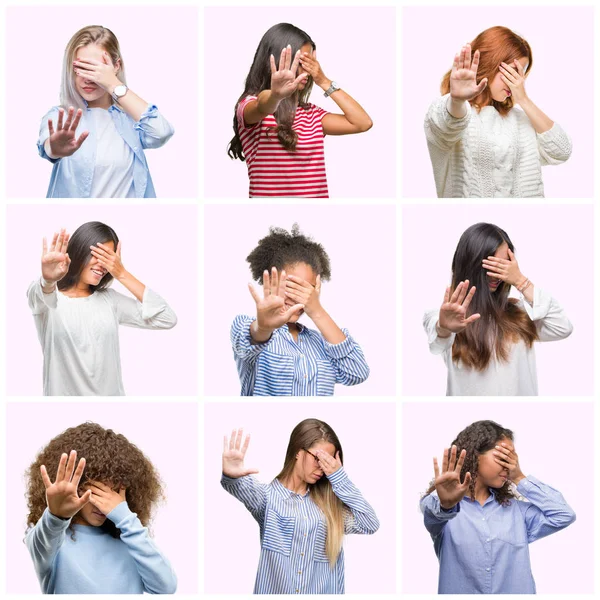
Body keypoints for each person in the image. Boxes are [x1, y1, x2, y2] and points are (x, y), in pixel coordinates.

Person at [221, 419, 379, 594]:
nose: (322, 468)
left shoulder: (330, 509)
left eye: (328, 462)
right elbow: (241, 487)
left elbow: (370, 524)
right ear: (298, 451)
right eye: (318, 458)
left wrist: (339, 476)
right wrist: (231, 475)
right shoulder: (267, 499)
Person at [420, 420, 575, 594]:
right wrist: (446, 506)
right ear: (474, 456)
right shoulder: (438, 506)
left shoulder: (518, 511)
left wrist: (519, 477)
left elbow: (563, 514)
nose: (509, 465)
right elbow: (433, 515)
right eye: (503, 458)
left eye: (512, 460)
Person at [25, 422, 177, 594]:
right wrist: (56, 516)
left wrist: (125, 517)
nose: (104, 504)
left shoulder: (131, 540)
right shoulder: (51, 541)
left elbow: (166, 587)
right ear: (77, 487)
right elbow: (42, 540)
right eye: (96, 491)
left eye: (114, 492)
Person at [27, 222, 177, 395]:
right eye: (98, 255)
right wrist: (47, 280)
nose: (103, 264)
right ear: (80, 250)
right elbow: (40, 294)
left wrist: (122, 274)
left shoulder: (110, 301)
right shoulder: (48, 299)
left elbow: (167, 318)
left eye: (109, 258)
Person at [423, 223, 572, 395]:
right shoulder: (442, 316)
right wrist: (444, 327)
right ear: (471, 263)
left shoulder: (521, 313)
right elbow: (438, 341)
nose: (497, 274)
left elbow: (562, 327)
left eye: (504, 265)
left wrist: (521, 281)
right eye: (491, 264)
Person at [425, 26, 572, 198]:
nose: (517, 80)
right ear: (490, 63)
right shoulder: (450, 111)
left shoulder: (521, 121)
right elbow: (446, 125)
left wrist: (524, 100)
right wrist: (457, 101)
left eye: (522, 74)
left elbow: (562, 151)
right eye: (512, 71)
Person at [228, 23, 372, 197]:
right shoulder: (250, 105)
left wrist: (324, 81)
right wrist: (276, 95)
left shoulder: (312, 114)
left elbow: (362, 123)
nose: (308, 71)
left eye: (311, 63)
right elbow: (261, 105)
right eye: (301, 62)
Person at [231, 224, 369, 395]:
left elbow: (358, 373)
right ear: (270, 281)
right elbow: (247, 342)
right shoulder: (245, 326)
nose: (297, 297)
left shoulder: (322, 343)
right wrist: (264, 328)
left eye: (305, 290)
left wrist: (317, 311)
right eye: (290, 286)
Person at [38, 25, 174, 198]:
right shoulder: (60, 117)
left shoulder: (132, 119)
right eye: (81, 68)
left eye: (95, 69)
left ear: (116, 66)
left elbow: (161, 132)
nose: (88, 78)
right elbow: (48, 146)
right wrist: (55, 148)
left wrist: (113, 84)